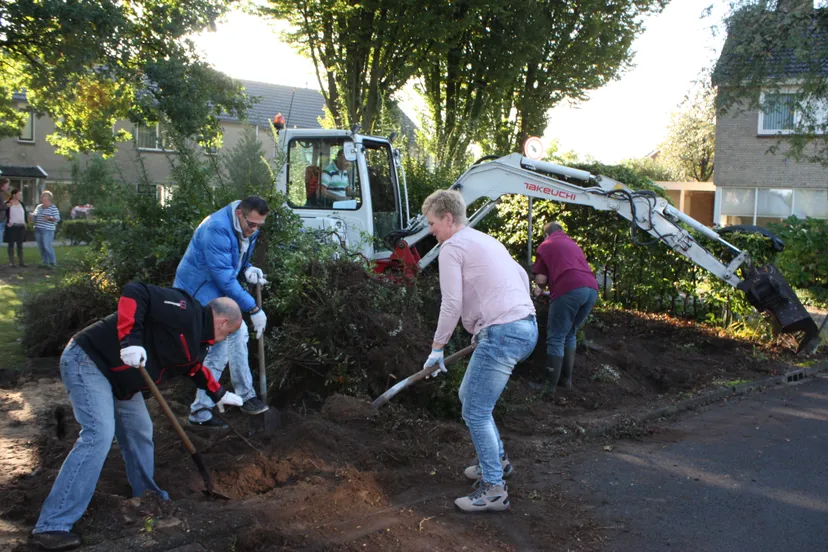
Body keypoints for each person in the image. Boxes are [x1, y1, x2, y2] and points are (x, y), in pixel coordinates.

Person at [31, 282, 244, 551]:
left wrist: (219, 393)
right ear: (223, 322)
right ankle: (53, 524)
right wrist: (130, 342)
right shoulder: (184, 310)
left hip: (125, 382)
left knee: (142, 431)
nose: (225, 339)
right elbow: (136, 292)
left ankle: (146, 497)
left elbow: (193, 369)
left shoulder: (198, 341)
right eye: (230, 333)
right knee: (99, 434)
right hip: (90, 361)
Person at [421, 189, 537, 513]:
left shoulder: (451, 247)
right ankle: (497, 459)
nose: (430, 231)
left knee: (475, 410)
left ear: (447, 218)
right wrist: (489, 324)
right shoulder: (486, 240)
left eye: (432, 223)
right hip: (525, 327)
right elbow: (521, 275)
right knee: (468, 397)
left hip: (503, 332)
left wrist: (437, 348)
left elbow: (452, 303)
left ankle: (493, 489)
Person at [174, 196, 270, 429]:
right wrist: (253, 308)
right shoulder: (216, 228)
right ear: (239, 214)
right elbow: (225, 278)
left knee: (236, 336)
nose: (255, 230)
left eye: (260, 226)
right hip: (195, 292)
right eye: (252, 225)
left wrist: (248, 269)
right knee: (229, 339)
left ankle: (216, 406)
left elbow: (237, 260)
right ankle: (235, 400)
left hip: (217, 290)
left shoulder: (248, 225)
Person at [531, 222, 599, 392]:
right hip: (591, 289)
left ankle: (548, 387)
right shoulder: (573, 244)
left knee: (556, 337)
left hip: (569, 289)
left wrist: (538, 290)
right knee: (570, 334)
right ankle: (565, 381)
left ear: (546, 235)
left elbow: (541, 280)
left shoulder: (546, 245)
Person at [33, 190, 61, 268]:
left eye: (43, 195)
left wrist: (49, 218)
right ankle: (45, 262)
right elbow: (35, 216)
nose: (41, 197)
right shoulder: (39, 206)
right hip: (38, 228)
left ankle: (53, 262)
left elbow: (57, 219)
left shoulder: (53, 207)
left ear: (48, 198)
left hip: (48, 230)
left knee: (47, 246)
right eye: (42, 195)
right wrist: (32, 216)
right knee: (41, 247)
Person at [5, 187, 29, 267]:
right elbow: (3, 214)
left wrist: (26, 223)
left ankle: (21, 262)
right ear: (14, 195)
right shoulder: (9, 203)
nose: (20, 196)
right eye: (19, 194)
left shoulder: (21, 204)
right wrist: (7, 222)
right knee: (11, 245)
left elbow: (24, 214)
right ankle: (12, 262)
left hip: (21, 227)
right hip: (12, 227)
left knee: (20, 245)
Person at [0, 178, 9, 250]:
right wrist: (7, 205)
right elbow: (1, 206)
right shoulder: (1, 194)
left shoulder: (3, 194)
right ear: (3, 185)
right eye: (7, 184)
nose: (8, 186)